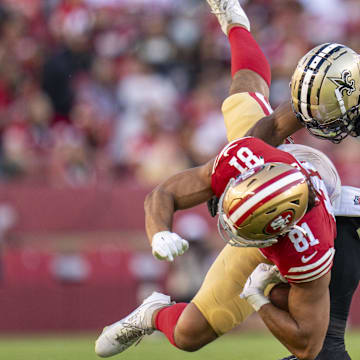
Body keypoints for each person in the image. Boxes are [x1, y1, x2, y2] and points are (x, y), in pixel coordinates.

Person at [94, 2, 338, 359]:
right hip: (278, 169)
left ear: (271, 236)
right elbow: (164, 192)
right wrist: (158, 231)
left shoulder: (307, 249)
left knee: (190, 335)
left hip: (308, 219)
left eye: (246, 230)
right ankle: (237, 23)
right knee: (242, 99)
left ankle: (152, 314)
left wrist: (259, 297)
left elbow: (307, 343)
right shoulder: (248, 157)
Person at [244, 29, 360, 360]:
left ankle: (327, 345)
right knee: (335, 206)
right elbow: (270, 128)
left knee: (341, 206)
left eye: (327, 111)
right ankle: (328, 344)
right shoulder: (334, 92)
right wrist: (240, 169)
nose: (322, 121)